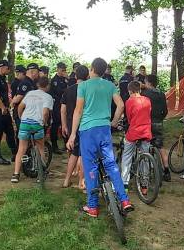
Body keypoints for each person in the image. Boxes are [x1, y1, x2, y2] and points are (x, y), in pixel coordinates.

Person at [67, 57, 133, 218]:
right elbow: (121, 105)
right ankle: (124, 200)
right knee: (111, 164)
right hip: (104, 129)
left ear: (91, 69)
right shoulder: (110, 85)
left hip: (87, 131)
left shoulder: (83, 86)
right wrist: (114, 122)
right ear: (104, 71)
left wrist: (73, 134)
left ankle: (93, 206)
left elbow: (78, 111)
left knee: (90, 167)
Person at [12, 74, 53, 183]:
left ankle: (16, 174)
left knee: (21, 149)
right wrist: (44, 123)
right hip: (37, 124)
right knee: (40, 147)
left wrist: (21, 118)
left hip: (25, 123)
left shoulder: (30, 93)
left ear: (38, 84)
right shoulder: (48, 97)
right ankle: (42, 173)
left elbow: (20, 107)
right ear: (47, 86)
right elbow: (45, 112)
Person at [60, 64, 87, 190]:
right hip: (85, 124)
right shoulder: (88, 89)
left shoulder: (68, 90)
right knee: (83, 153)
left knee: (74, 153)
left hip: (71, 124)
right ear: (87, 76)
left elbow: (63, 110)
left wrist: (64, 125)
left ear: (75, 76)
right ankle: (81, 182)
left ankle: (66, 180)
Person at [120, 79, 153, 182]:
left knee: (127, 155)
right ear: (139, 90)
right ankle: (145, 183)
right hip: (146, 131)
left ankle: (124, 182)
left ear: (130, 91)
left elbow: (129, 118)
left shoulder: (129, 101)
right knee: (145, 156)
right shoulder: (147, 100)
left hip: (134, 131)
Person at [143, 73, 171, 180]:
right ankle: (166, 170)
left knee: (145, 145)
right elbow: (165, 110)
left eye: (145, 82)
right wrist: (160, 118)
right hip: (158, 122)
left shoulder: (145, 94)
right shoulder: (161, 94)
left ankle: (147, 168)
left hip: (147, 122)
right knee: (161, 146)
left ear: (149, 83)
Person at [50, 63, 70, 154]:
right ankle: (54, 146)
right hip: (57, 105)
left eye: (65, 70)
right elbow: (57, 91)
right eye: (62, 70)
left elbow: (71, 88)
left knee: (65, 124)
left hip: (65, 105)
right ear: (57, 69)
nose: (63, 72)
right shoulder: (54, 80)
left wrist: (68, 79)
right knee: (55, 125)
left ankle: (67, 144)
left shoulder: (66, 79)